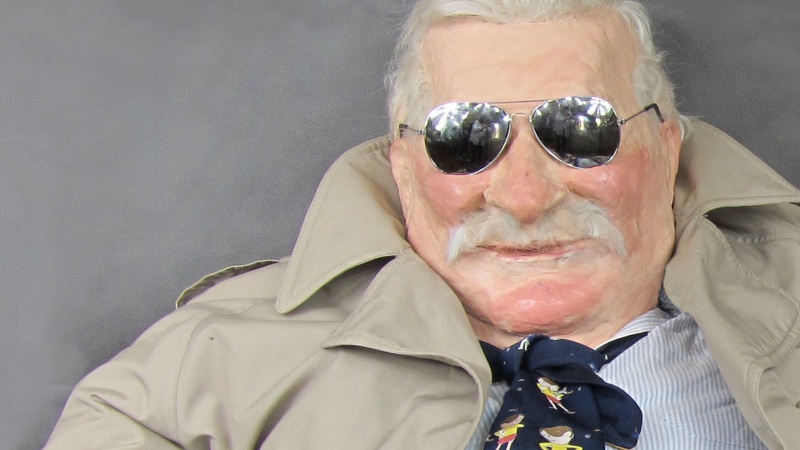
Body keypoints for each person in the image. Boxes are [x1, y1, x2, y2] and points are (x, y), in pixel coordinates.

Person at [45, 0, 800, 448]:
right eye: (464, 140)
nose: (523, 197)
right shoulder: (206, 369)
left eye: (580, 131)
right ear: (404, 166)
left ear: (665, 148)